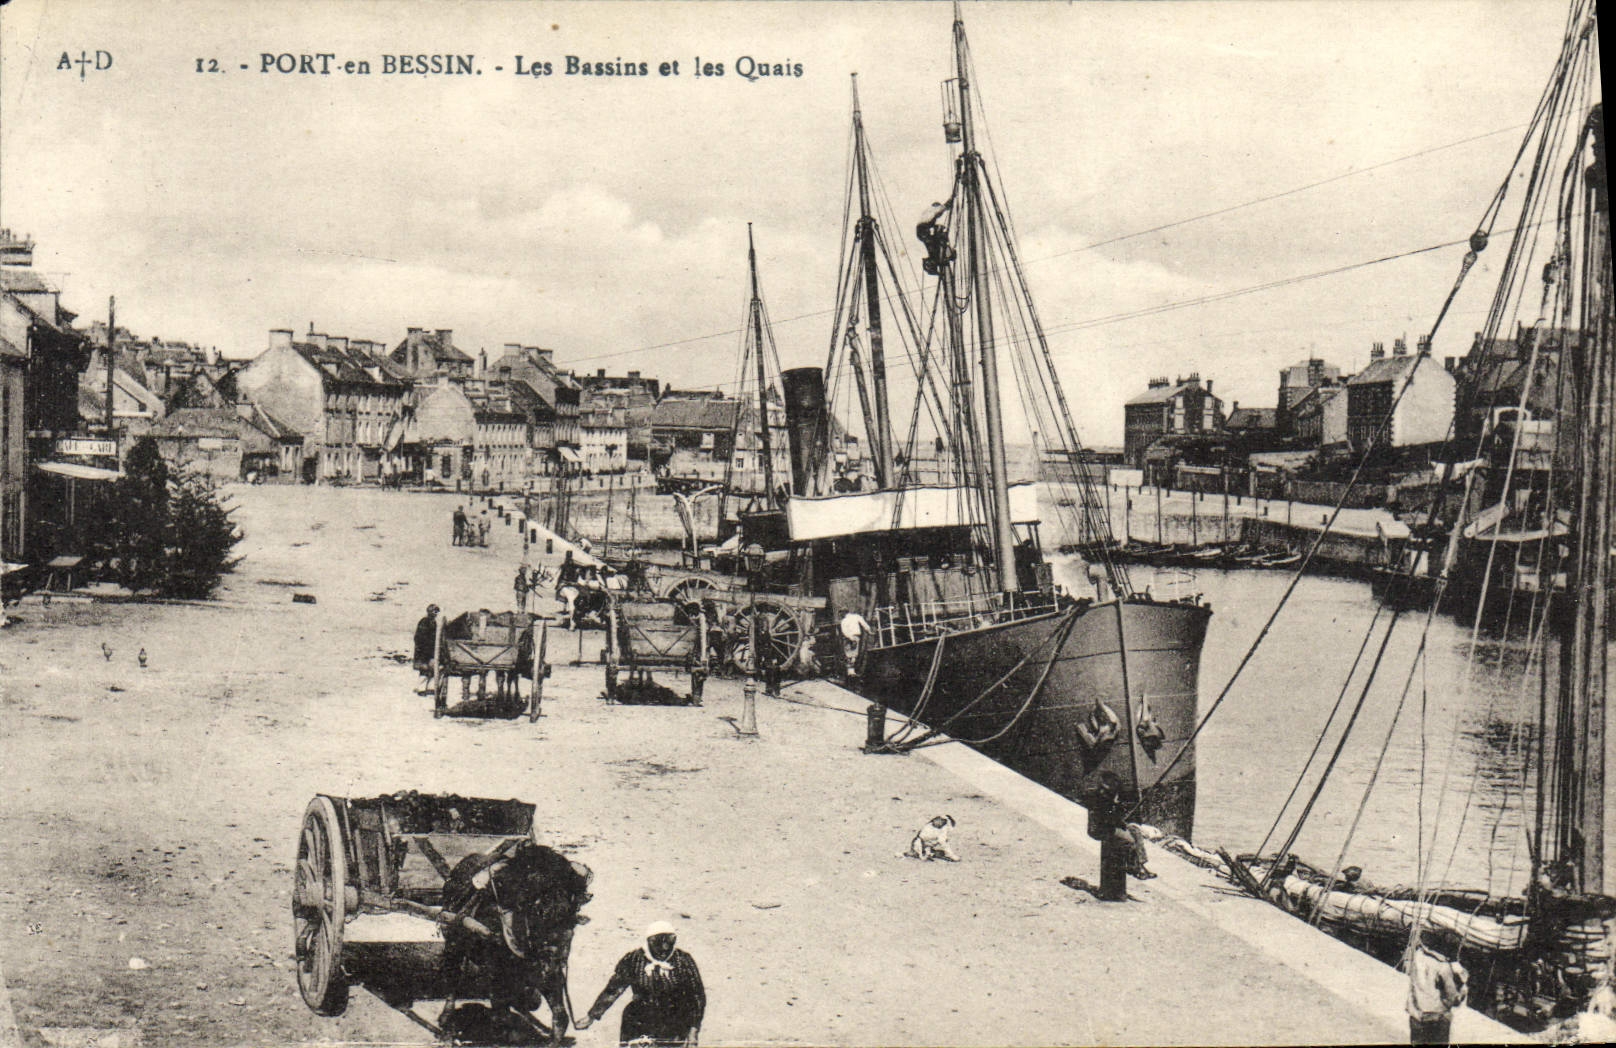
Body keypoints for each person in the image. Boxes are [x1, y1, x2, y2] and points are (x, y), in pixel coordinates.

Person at [577, 922, 705, 1047]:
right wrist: (592, 1016)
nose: (664, 948)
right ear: (649, 941)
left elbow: (696, 997)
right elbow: (613, 989)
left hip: (673, 1020)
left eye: (669, 941)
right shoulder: (634, 959)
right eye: (658, 942)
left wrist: (693, 1031)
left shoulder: (683, 961)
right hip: (640, 1018)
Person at [1085, 771, 1155, 881]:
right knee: (1130, 840)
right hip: (1101, 830)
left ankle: (1141, 864)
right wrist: (1116, 808)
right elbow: (1107, 819)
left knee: (1135, 831)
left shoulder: (1105, 798)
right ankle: (1133, 868)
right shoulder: (1101, 799)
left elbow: (1114, 818)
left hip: (1108, 827)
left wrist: (1124, 823)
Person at [1406, 929, 1468, 1044]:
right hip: (1435, 1018)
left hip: (1416, 1013)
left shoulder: (1419, 956)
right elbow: (1453, 998)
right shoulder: (1444, 967)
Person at [413, 604, 441, 691]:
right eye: (434, 611)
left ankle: (429, 688)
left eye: (437, 612)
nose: (436, 614)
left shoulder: (433, 622)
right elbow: (419, 637)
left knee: (431, 668)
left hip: (430, 649)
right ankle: (421, 688)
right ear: (429, 612)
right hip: (423, 650)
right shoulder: (424, 621)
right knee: (424, 669)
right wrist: (424, 647)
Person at [839, 610, 872, 680]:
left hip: (848, 638)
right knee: (854, 654)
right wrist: (869, 630)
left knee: (848, 654)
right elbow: (864, 624)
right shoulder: (856, 617)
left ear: (843, 613)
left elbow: (844, 631)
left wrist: (851, 638)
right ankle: (852, 672)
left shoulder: (844, 621)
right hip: (856, 637)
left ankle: (850, 672)